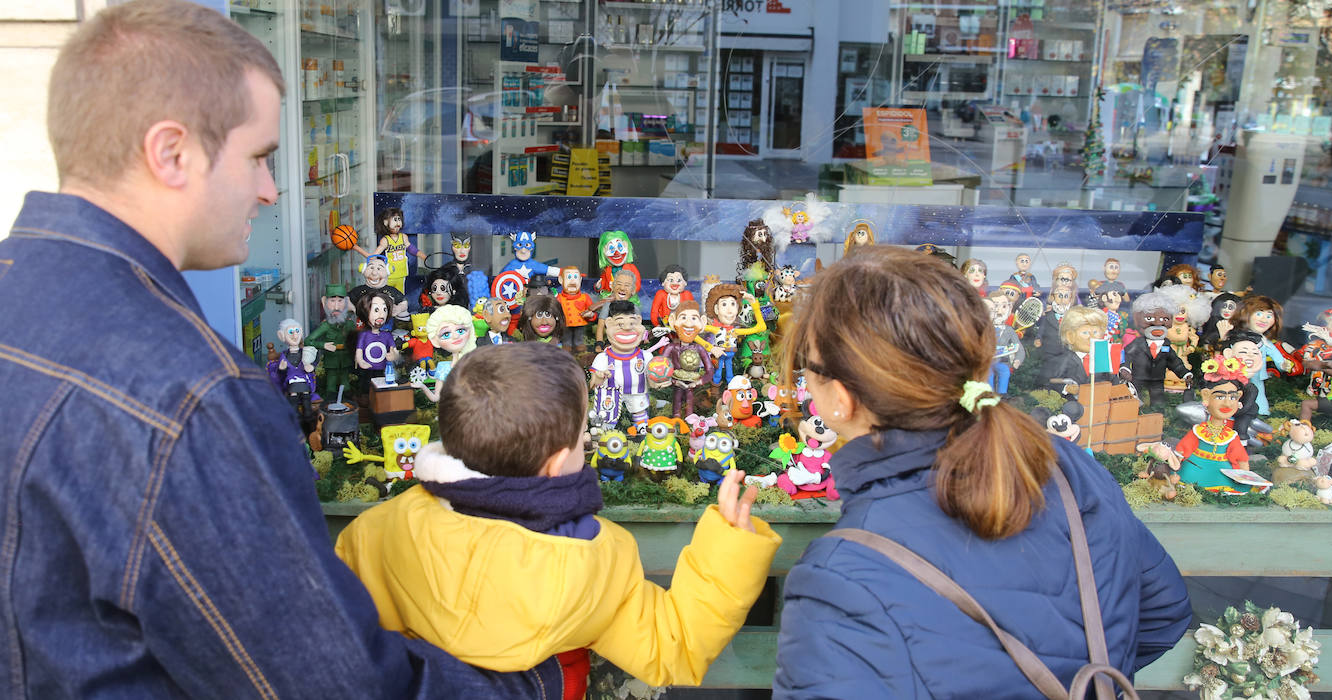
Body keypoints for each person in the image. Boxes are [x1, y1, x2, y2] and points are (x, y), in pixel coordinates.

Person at [0, 0, 560, 695]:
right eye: (259, 157)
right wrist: (529, 684)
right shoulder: (192, 396)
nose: (269, 191)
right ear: (171, 152)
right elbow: (331, 681)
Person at [772, 247, 1191, 697]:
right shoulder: (1064, 464)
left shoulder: (840, 579)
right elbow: (1162, 613)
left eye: (808, 367)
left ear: (840, 396)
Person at [336, 343, 781, 694]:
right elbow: (674, 646)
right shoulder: (592, 556)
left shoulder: (376, 530)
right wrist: (730, 544)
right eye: (581, 433)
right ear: (556, 462)